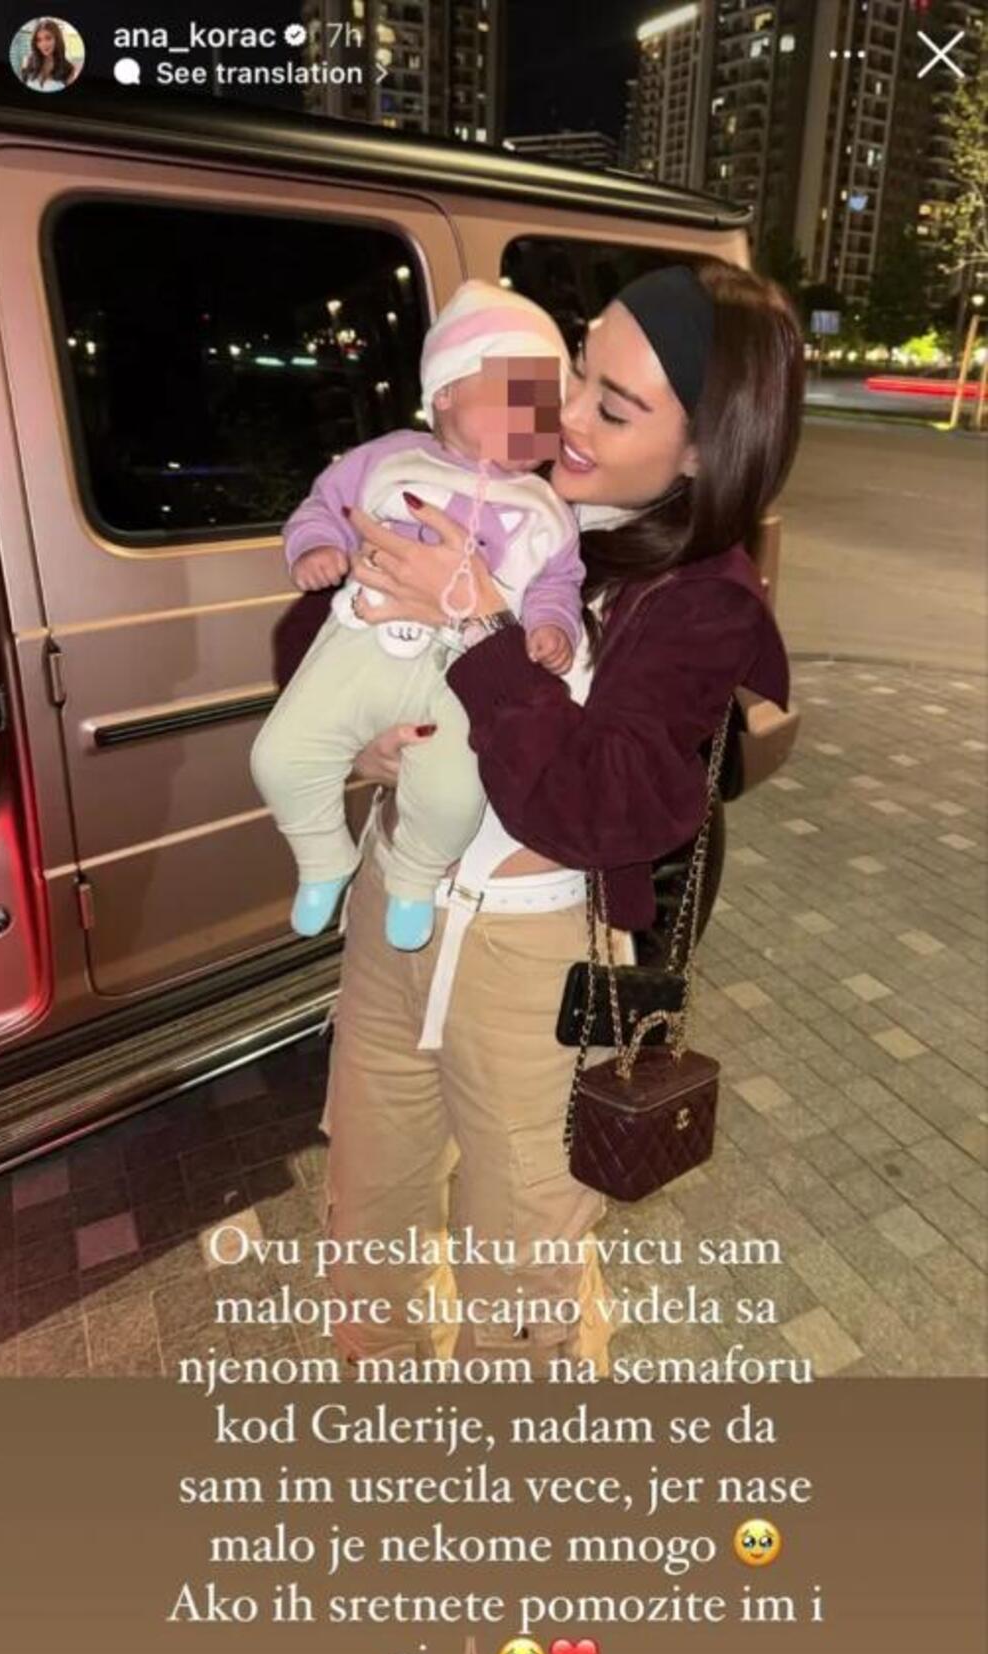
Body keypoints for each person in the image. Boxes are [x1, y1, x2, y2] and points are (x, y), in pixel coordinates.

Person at [283, 259, 803, 1377]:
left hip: (537, 963)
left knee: (520, 1285)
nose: (559, 416)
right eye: (573, 374)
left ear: (704, 449)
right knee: (364, 1219)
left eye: (612, 407)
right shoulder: (486, 481)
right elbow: (315, 617)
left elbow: (594, 805)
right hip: (393, 914)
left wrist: (480, 629)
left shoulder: (697, 599)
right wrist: (358, 735)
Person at [250, 281, 584, 952]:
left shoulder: (548, 507)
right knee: (279, 757)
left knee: (454, 794)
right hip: (361, 646)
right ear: (447, 392)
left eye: (549, 403)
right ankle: (322, 856)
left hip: (461, 673)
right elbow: (324, 506)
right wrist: (315, 548)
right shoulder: (391, 457)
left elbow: (558, 580)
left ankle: (414, 876)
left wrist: (554, 626)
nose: (539, 418)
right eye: (520, 396)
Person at [19, 18, 79, 91]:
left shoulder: (68, 68)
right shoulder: (27, 61)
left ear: (57, 39)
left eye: (48, 38)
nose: (43, 44)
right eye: (39, 40)